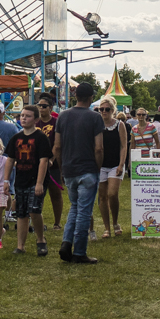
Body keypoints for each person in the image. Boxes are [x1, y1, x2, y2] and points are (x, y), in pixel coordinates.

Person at [54, 81, 104, 264]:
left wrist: (61, 168)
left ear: (75, 96)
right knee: (84, 211)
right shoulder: (95, 117)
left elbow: (57, 147)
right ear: (91, 98)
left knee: (74, 207)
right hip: (88, 169)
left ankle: (66, 243)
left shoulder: (63, 117)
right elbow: (99, 148)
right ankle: (79, 251)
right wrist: (97, 167)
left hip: (69, 168)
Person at [9, 104, 52, 255]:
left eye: (27, 116)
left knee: (34, 210)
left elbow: (44, 160)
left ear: (35, 119)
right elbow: (10, 159)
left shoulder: (41, 138)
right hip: (21, 179)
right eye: (22, 116)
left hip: (36, 180)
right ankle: (20, 246)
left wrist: (40, 183)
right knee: (21, 213)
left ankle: (41, 239)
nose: (24, 118)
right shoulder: (16, 138)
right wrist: (5, 180)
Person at [95, 95, 129, 239]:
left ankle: (115, 222)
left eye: (107, 109)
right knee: (102, 197)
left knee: (112, 194)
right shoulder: (96, 126)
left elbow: (124, 145)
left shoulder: (119, 125)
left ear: (112, 110)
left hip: (115, 163)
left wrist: (122, 164)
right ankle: (107, 227)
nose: (103, 111)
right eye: (101, 109)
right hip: (100, 165)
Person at [34, 93, 65, 232]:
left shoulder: (56, 122)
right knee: (36, 193)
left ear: (50, 108)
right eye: (39, 106)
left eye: (44, 106)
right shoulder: (34, 123)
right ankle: (36, 222)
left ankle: (57, 222)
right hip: (35, 164)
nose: (41, 108)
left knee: (55, 193)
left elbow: (58, 144)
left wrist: (51, 160)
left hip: (53, 164)